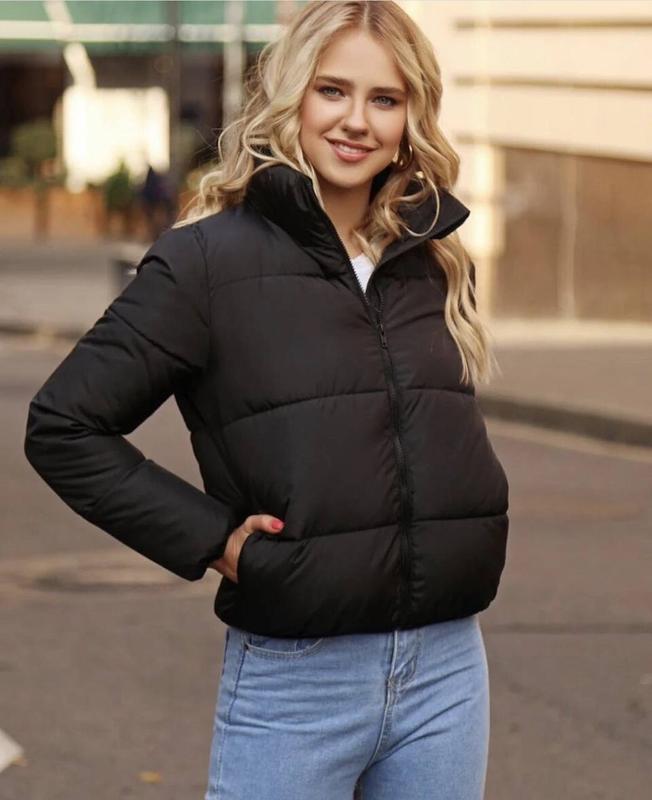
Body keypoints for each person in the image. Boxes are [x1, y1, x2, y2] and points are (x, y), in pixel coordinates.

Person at [23, 2, 510, 798]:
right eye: (332, 90)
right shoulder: (205, 264)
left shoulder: (429, 257)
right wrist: (219, 542)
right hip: (299, 678)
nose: (357, 121)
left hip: (447, 669)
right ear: (292, 97)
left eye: (385, 99)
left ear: (411, 117)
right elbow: (64, 426)